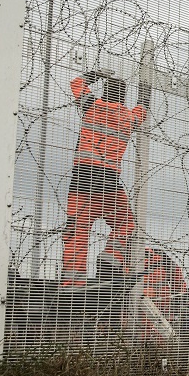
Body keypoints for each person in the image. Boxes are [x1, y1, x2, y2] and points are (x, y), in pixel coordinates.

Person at [60, 71, 148, 288]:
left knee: (77, 232)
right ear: (123, 98)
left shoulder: (92, 106)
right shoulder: (129, 118)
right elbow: (143, 109)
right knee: (126, 223)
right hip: (109, 183)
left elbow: (76, 83)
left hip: (81, 180)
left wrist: (95, 74)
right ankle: (109, 260)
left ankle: (72, 284)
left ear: (104, 92)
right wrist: (145, 88)